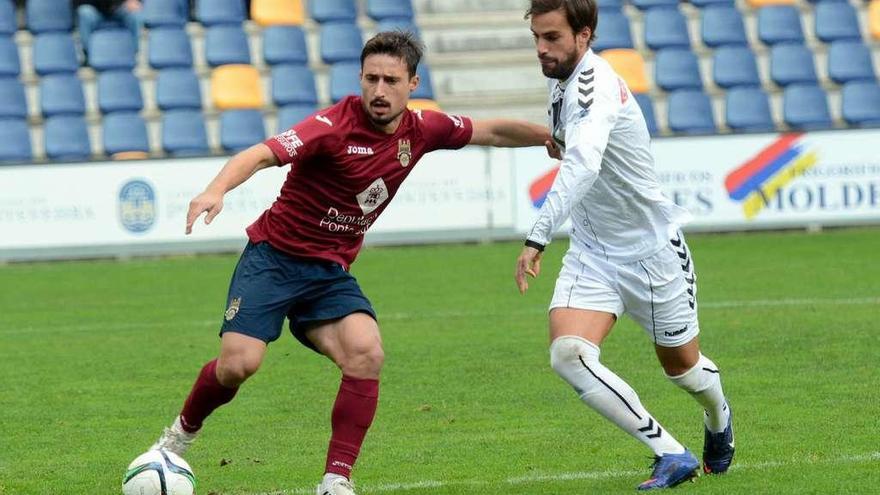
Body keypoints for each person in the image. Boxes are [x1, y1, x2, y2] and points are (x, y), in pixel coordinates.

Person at [148, 31, 554, 495]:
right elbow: (262, 154)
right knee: (238, 365)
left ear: (413, 83)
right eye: (371, 79)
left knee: (367, 352)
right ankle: (178, 437)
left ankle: (336, 479)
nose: (379, 91)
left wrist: (547, 137)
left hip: (327, 274)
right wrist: (215, 189)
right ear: (360, 79)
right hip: (274, 260)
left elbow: (491, 131)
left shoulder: (421, 130)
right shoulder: (330, 126)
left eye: (391, 81)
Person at [515, 0, 735, 490]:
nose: (541, 49)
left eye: (551, 38)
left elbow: (584, 165)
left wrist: (537, 235)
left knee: (684, 369)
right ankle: (669, 452)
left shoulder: (595, 87)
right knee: (568, 353)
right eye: (536, 38)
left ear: (584, 35)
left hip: (651, 252)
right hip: (593, 251)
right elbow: (574, 146)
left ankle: (718, 416)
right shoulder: (561, 77)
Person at [76, 0, 143, 60]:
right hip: (95, 9)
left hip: (119, 7)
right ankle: (89, 56)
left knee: (134, 14)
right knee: (84, 11)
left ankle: (131, 55)